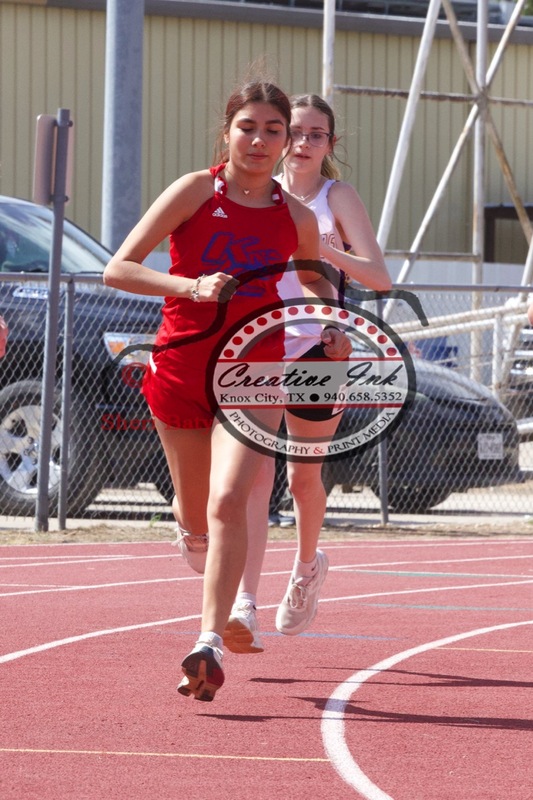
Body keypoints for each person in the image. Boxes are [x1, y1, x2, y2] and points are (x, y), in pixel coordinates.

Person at [103, 78, 349, 702]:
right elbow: (118, 267)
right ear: (229, 131)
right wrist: (187, 287)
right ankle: (191, 540)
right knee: (197, 519)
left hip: (254, 370)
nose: (262, 140)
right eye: (250, 127)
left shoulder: (294, 214)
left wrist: (329, 321)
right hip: (183, 365)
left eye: (275, 131)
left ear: (287, 140)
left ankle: (208, 640)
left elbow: (317, 280)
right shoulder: (194, 190)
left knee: (232, 499)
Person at [222, 93, 392, 654]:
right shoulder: (257, 193)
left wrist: (326, 251)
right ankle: (243, 600)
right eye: (292, 131)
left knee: (302, 478)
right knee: (252, 474)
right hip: (263, 341)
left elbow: (380, 276)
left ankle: (306, 566)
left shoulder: (335, 195)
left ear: (329, 144)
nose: (301, 143)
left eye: (315, 134)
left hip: (322, 342)